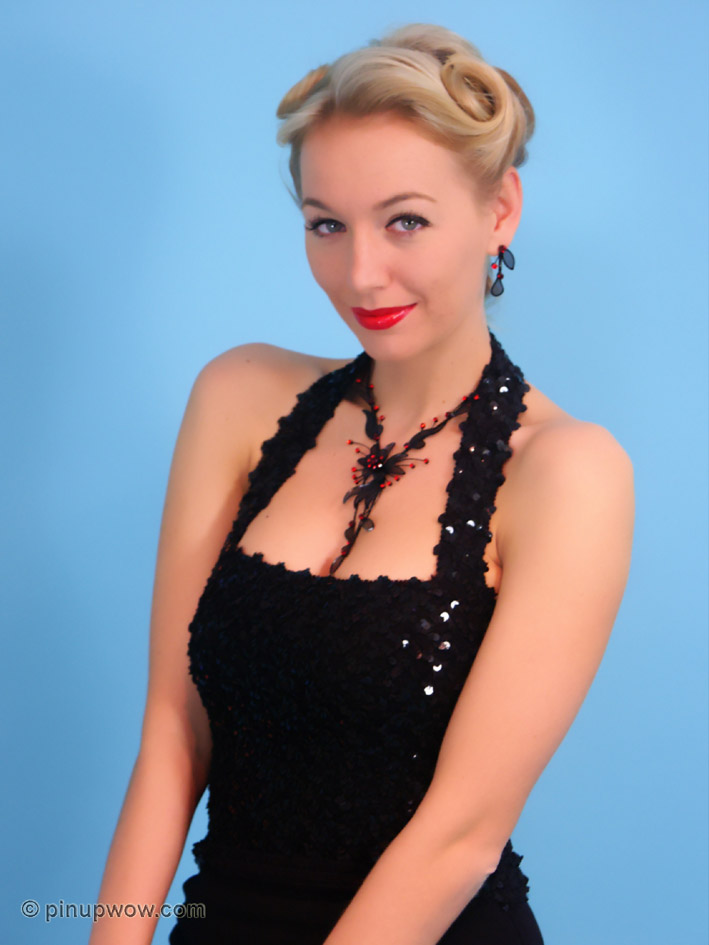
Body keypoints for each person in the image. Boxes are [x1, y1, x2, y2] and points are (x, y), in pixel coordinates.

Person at [89, 22, 635, 945]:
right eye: (326, 225)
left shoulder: (567, 472)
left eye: (404, 220)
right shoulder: (237, 397)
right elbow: (172, 736)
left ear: (499, 210)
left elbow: (459, 836)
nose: (360, 272)